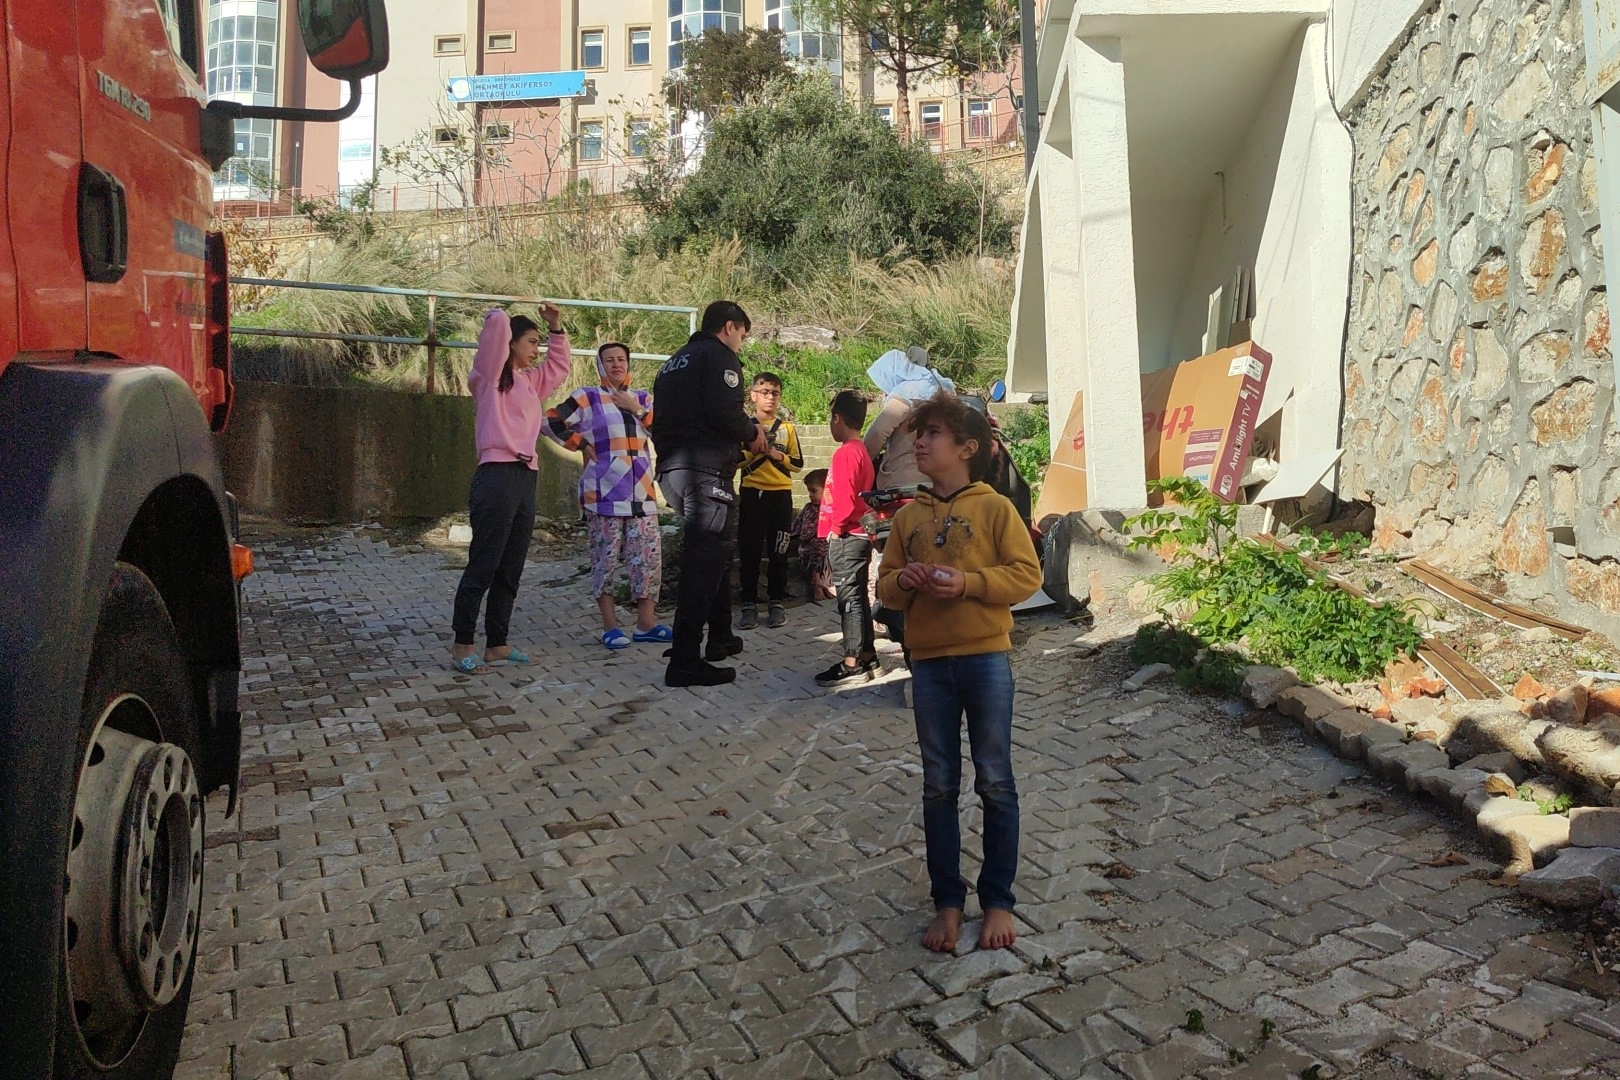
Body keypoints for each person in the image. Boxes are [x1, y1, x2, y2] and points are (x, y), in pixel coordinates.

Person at [876, 393, 1042, 953]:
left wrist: (969, 583)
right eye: (918, 434)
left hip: (985, 659)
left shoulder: (995, 509)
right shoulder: (907, 516)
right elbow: (886, 587)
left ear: (968, 448)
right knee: (939, 784)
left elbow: (1026, 575)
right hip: (927, 665)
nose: (919, 443)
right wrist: (905, 581)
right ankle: (947, 902)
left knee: (995, 780)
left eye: (932, 434)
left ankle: (998, 901)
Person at [650, 300, 768, 688]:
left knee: (712, 556)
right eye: (742, 335)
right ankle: (685, 660)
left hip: (673, 472)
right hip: (705, 474)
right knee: (702, 564)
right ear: (729, 327)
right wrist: (753, 434)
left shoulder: (673, 362)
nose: (741, 344)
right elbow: (725, 413)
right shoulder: (718, 357)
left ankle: (720, 636)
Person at [450, 304, 573, 674]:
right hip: (496, 475)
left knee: (511, 566)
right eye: (531, 342)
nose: (537, 349)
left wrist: (555, 327)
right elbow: (495, 332)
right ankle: (463, 643)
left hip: (525, 475)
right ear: (510, 343)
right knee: (484, 562)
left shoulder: (530, 381)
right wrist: (500, 311)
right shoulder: (488, 376)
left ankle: (497, 644)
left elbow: (559, 367)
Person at [545, 342, 670, 650]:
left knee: (648, 561)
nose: (616, 364)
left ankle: (646, 624)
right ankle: (610, 626)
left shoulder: (643, 399)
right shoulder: (587, 397)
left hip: (642, 495)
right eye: (609, 360)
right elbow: (550, 421)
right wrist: (579, 443)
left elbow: (665, 433)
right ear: (600, 365)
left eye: (621, 359)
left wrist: (635, 408)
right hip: (603, 495)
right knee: (606, 561)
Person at [814, 390, 877, 687]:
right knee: (858, 596)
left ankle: (852, 663)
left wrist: (836, 528)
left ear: (837, 419)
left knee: (848, 600)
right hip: (859, 534)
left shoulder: (846, 453)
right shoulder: (861, 450)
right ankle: (867, 655)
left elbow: (845, 497)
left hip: (848, 535)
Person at [736, 371, 804, 630]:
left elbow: (798, 463)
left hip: (781, 495)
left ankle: (776, 602)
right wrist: (754, 452)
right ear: (753, 396)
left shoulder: (787, 429)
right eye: (764, 392)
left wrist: (779, 456)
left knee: (779, 550)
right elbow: (734, 460)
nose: (770, 398)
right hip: (752, 493)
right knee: (750, 550)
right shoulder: (744, 427)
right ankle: (748, 604)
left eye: (775, 393)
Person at [792, 469, 834, 603]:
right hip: (810, 547)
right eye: (809, 491)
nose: (810, 495)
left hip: (828, 545)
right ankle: (816, 581)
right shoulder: (809, 509)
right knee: (818, 545)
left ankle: (825, 582)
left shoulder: (832, 508)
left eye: (814, 491)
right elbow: (801, 531)